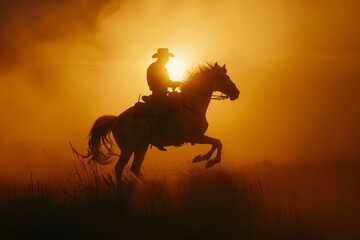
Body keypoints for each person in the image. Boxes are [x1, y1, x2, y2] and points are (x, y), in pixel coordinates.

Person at [145, 48, 180, 151]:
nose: (167, 60)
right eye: (166, 58)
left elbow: (167, 81)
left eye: (167, 58)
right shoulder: (155, 68)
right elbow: (159, 82)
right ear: (161, 57)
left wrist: (174, 83)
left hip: (162, 93)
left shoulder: (161, 68)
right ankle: (159, 136)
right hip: (158, 94)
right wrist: (172, 84)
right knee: (166, 110)